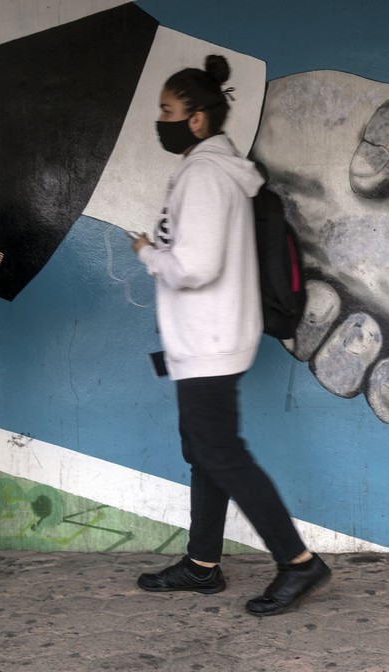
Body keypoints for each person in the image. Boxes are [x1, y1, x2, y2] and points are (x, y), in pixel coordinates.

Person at [131, 55, 330, 616]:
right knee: (206, 453)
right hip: (208, 339)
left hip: (209, 342)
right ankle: (202, 564)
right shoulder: (214, 171)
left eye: (168, 110)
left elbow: (195, 266)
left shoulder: (204, 176)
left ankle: (298, 562)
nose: (161, 120)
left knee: (223, 454)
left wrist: (149, 254)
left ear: (197, 119)